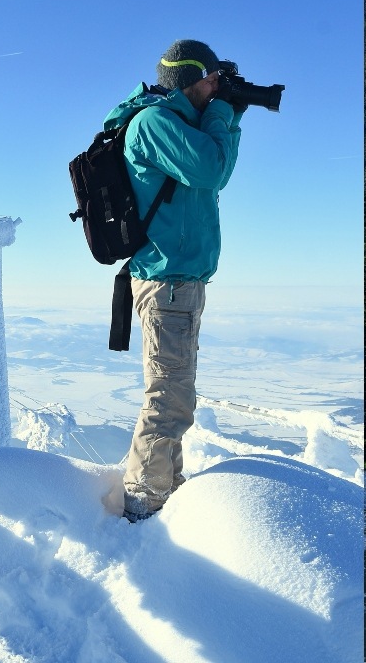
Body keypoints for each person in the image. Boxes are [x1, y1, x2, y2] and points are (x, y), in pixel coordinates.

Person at [107, 39, 245, 522]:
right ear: (191, 79)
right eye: (211, 79)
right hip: (167, 282)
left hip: (177, 282)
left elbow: (212, 163)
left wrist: (227, 111)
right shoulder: (155, 123)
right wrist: (223, 111)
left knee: (174, 393)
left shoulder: (177, 123)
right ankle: (143, 505)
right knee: (169, 400)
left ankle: (168, 491)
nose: (216, 87)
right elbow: (212, 169)